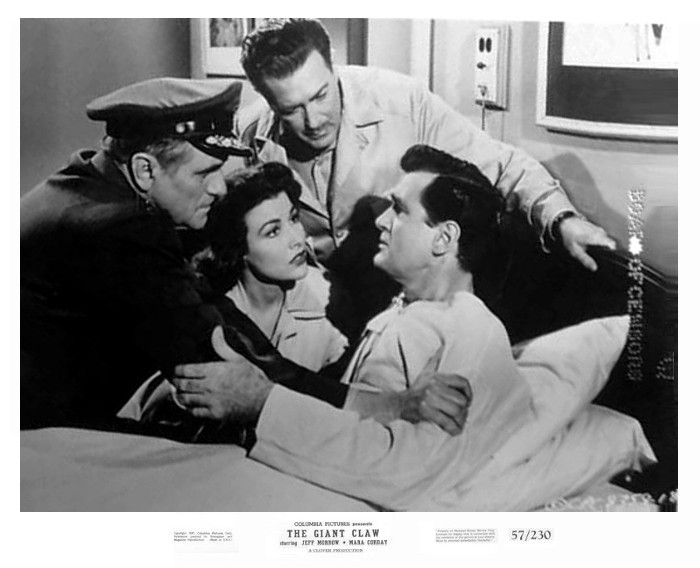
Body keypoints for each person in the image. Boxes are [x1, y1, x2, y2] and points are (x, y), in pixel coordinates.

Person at [173, 145, 652, 511]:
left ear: (444, 238)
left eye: (399, 210)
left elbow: (413, 468)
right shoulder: (399, 314)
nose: (381, 220)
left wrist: (265, 406)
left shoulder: (472, 328)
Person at [21, 77, 469, 434]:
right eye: (205, 173)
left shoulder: (84, 182)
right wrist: (385, 406)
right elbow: (218, 361)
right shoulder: (117, 228)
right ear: (144, 169)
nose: (219, 188)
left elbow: (214, 318)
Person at [236, 18, 616, 336]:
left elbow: (500, 164)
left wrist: (562, 219)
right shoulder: (250, 133)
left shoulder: (402, 101)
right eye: (292, 109)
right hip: (314, 314)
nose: (313, 120)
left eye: (321, 96)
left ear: (333, 65)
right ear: (268, 101)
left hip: (402, 302)